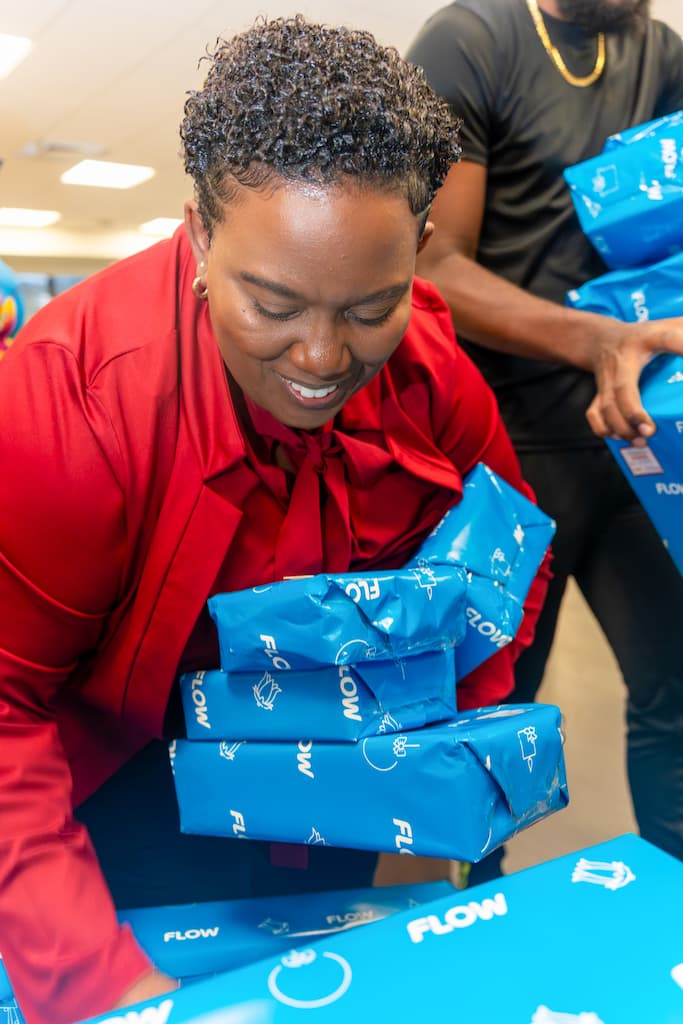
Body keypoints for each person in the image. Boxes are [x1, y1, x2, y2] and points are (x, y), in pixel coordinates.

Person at [0, 16, 551, 1024]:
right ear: (201, 233)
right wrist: (97, 982)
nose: (318, 359)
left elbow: (501, 569)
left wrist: (432, 769)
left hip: (321, 766)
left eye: (367, 306)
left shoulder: (434, 376)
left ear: (417, 256)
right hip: (108, 760)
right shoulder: (66, 408)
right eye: (273, 302)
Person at [406, 0, 683, 881]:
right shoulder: (472, 41)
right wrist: (594, 339)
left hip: (637, 434)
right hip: (507, 447)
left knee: (674, 696)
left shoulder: (659, 50)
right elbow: (432, 261)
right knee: (489, 711)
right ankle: (466, 915)